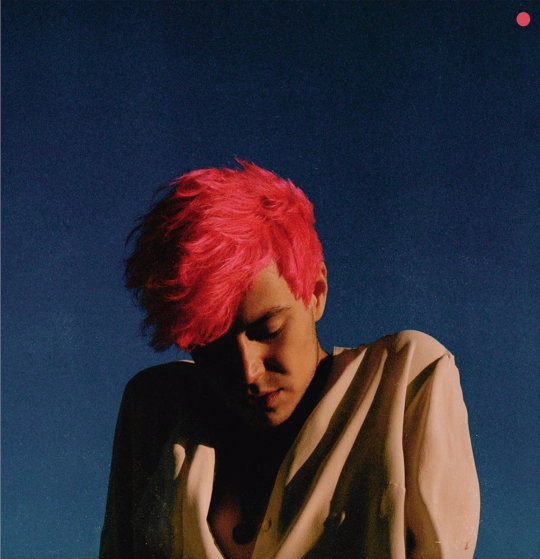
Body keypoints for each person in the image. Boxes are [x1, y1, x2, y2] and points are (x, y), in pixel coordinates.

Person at [100, 161, 480, 559]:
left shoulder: (404, 380)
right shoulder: (156, 410)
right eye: (211, 346)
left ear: (316, 292)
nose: (247, 371)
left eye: (268, 330)